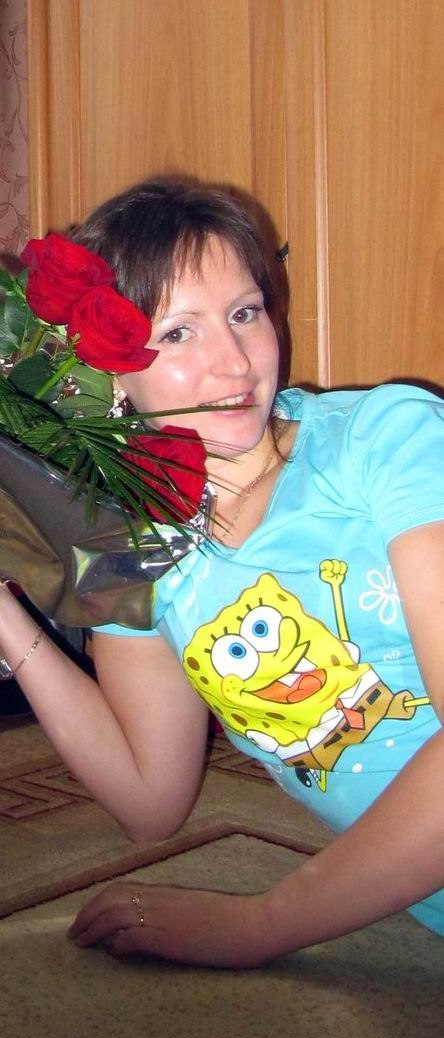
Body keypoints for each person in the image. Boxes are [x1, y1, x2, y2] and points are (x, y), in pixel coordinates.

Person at [0, 176, 443, 968]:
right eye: (178, 333)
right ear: (106, 374)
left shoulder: (386, 439)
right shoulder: (132, 545)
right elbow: (150, 803)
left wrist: (261, 924)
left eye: (245, 313)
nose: (233, 362)